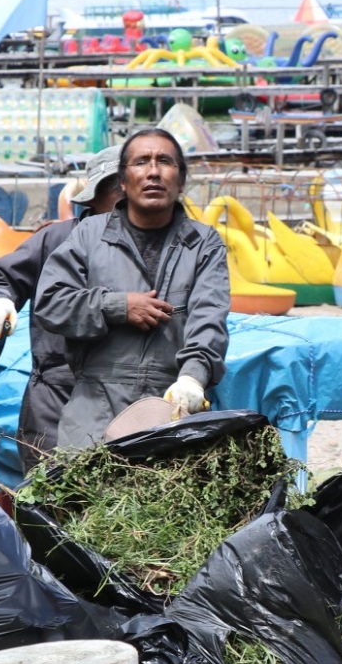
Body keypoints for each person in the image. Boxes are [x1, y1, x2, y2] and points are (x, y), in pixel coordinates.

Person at [33, 128, 229, 448]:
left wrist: (193, 377)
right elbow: (51, 303)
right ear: (123, 182)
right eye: (141, 162)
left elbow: (209, 317)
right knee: (76, 495)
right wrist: (117, 307)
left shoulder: (203, 244)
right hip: (94, 406)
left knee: (167, 495)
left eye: (165, 161)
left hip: (172, 405)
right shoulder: (89, 235)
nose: (153, 171)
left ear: (180, 182)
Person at [0, 147, 125, 469]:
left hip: (128, 396)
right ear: (94, 197)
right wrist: (0, 300)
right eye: (116, 187)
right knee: (51, 493)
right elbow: (6, 276)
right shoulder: (56, 239)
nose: (126, 198)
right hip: (56, 396)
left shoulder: (160, 248)